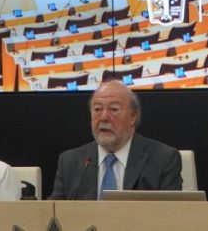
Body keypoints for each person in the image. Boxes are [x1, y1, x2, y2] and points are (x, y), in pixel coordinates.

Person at [49, 80, 182, 199]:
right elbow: (54, 211)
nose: (104, 117)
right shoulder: (69, 162)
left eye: (114, 109)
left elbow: (171, 214)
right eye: (97, 109)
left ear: (132, 117)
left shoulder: (163, 159)